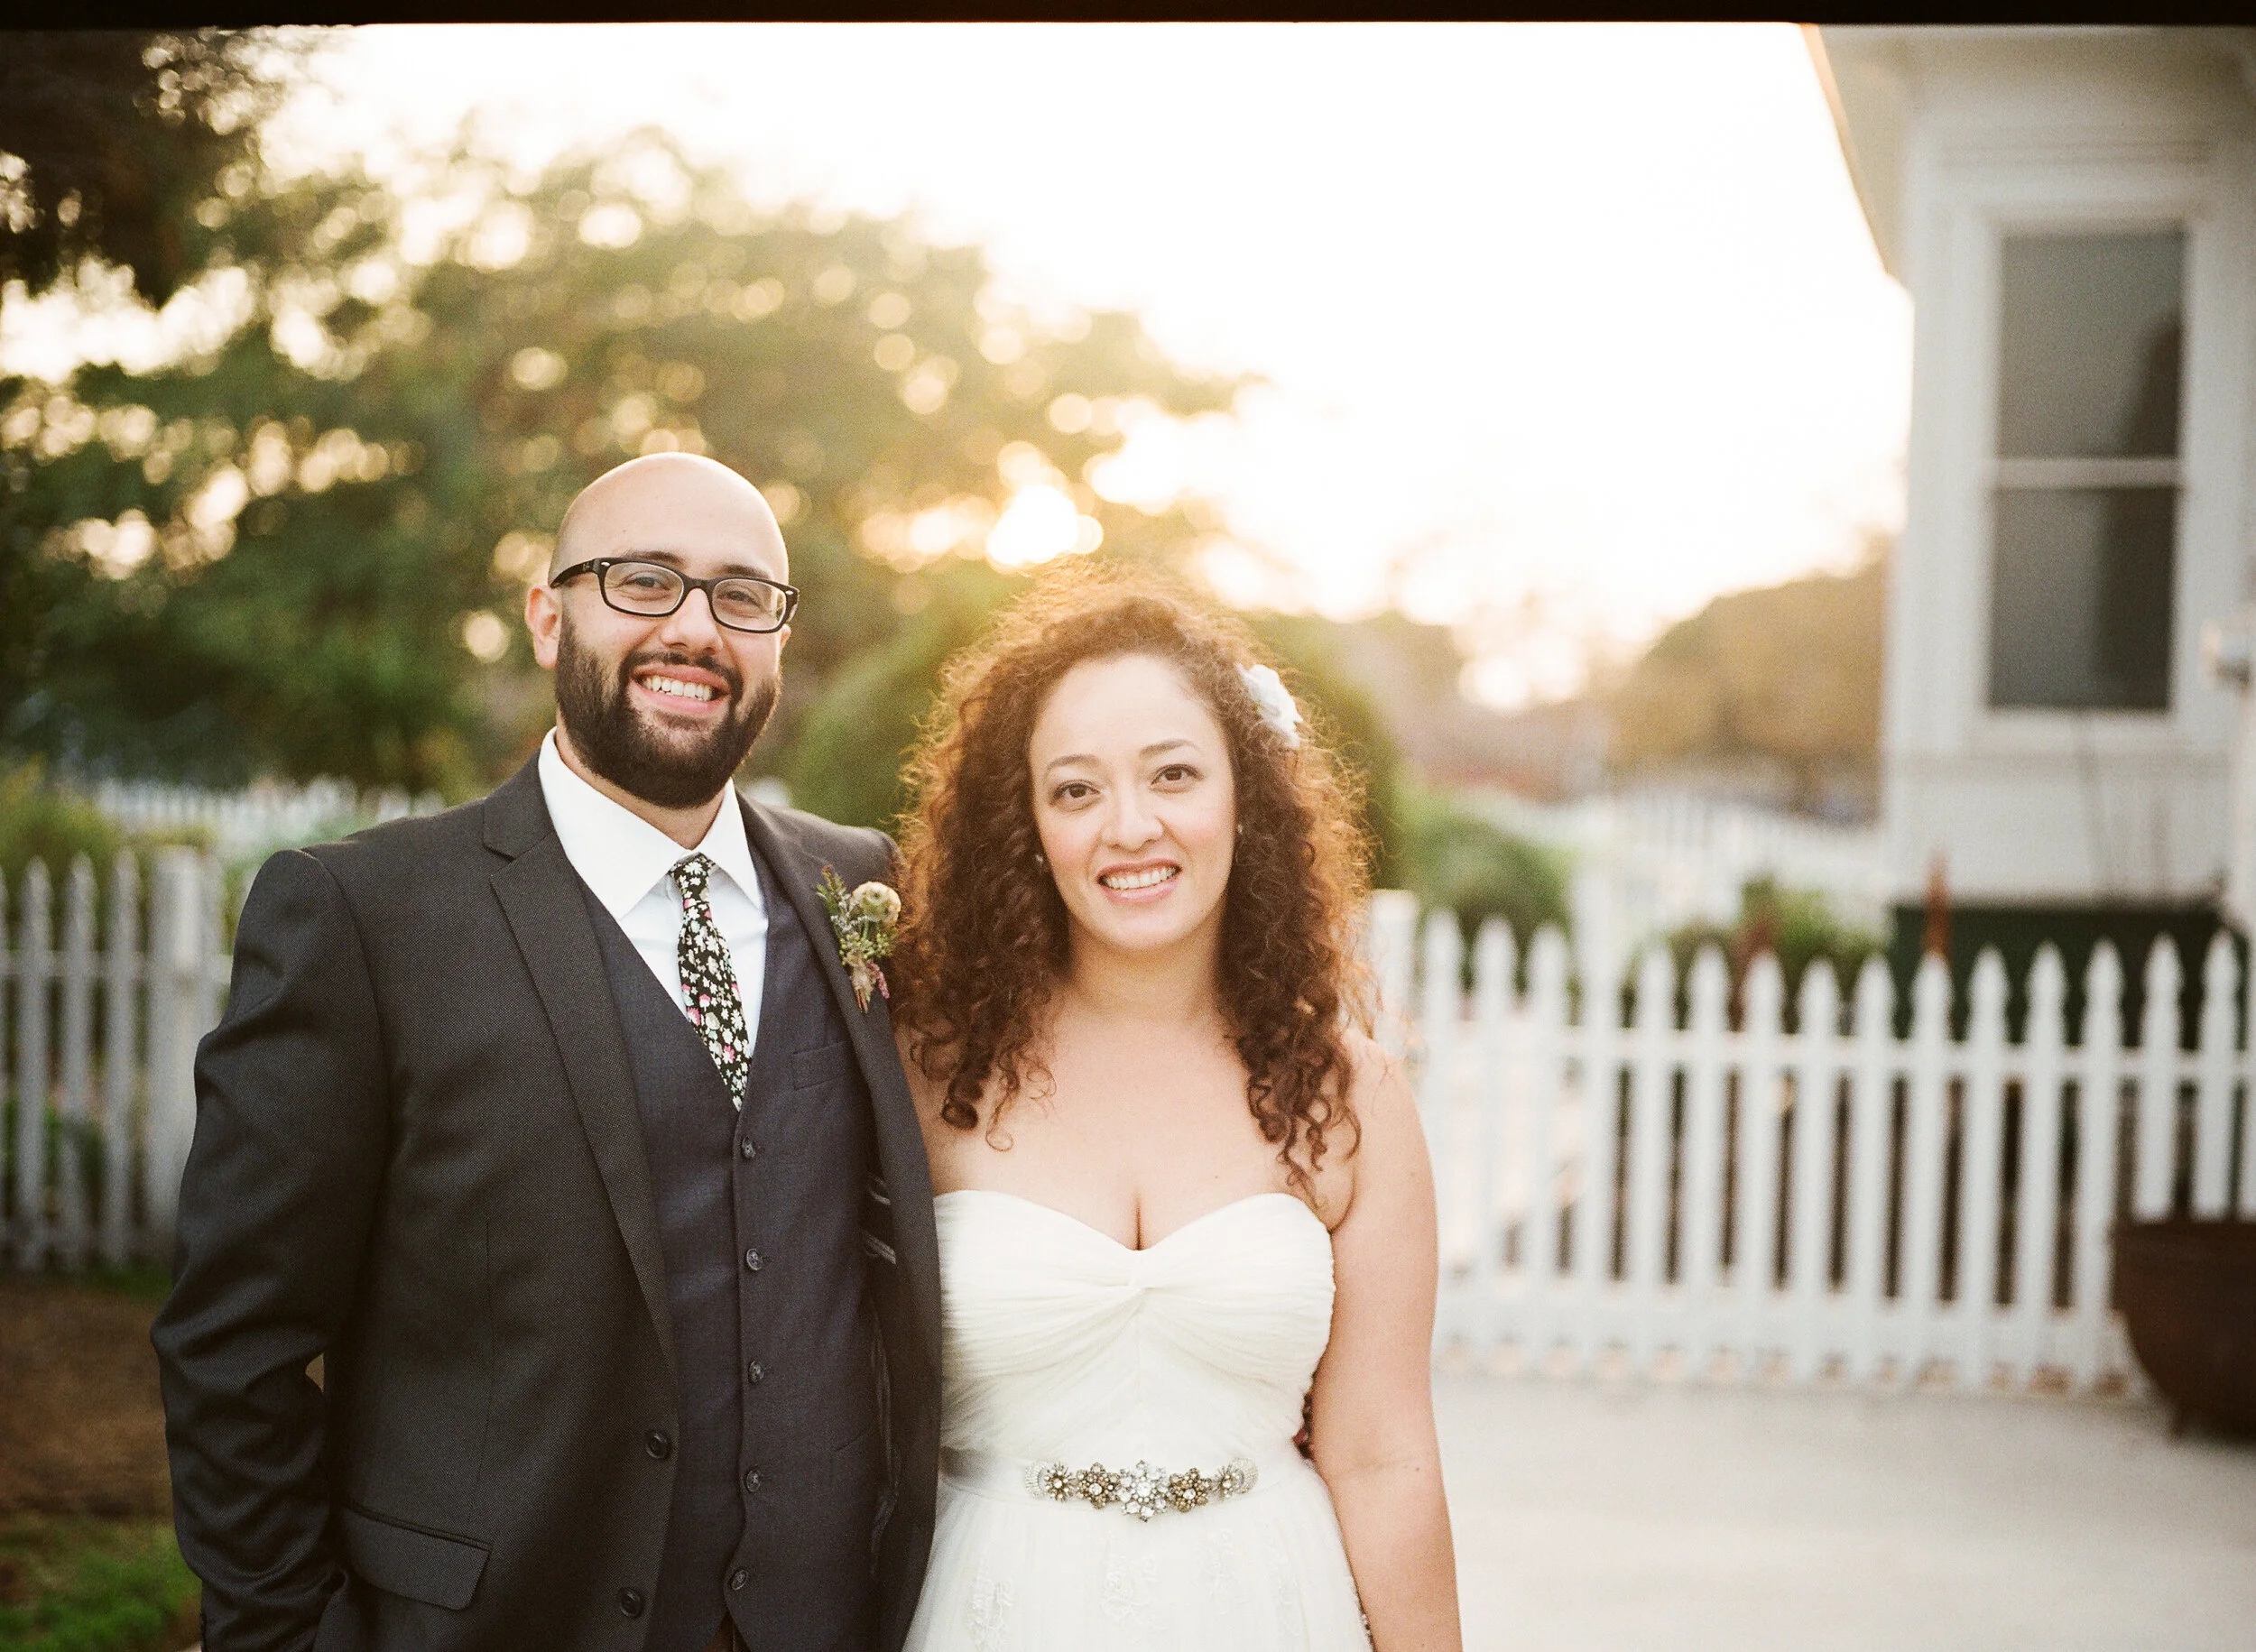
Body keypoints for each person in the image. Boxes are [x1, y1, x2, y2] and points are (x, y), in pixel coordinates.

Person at [153, 453, 939, 1652]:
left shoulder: (863, 881)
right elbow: (234, 1344)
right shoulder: (363, 916)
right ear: (546, 612)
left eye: (741, 596)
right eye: (642, 580)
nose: (693, 627)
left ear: (780, 636)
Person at [887, 566, 1461, 1651]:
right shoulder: (925, 1071)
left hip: (1269, 1604)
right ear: (1027, 825)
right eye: (1075, 789)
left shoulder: (1350, 1096)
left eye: (1174, 774)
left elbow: (1383, 1453)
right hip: (990, 1608)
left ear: (1244, 795)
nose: (1130, 826)